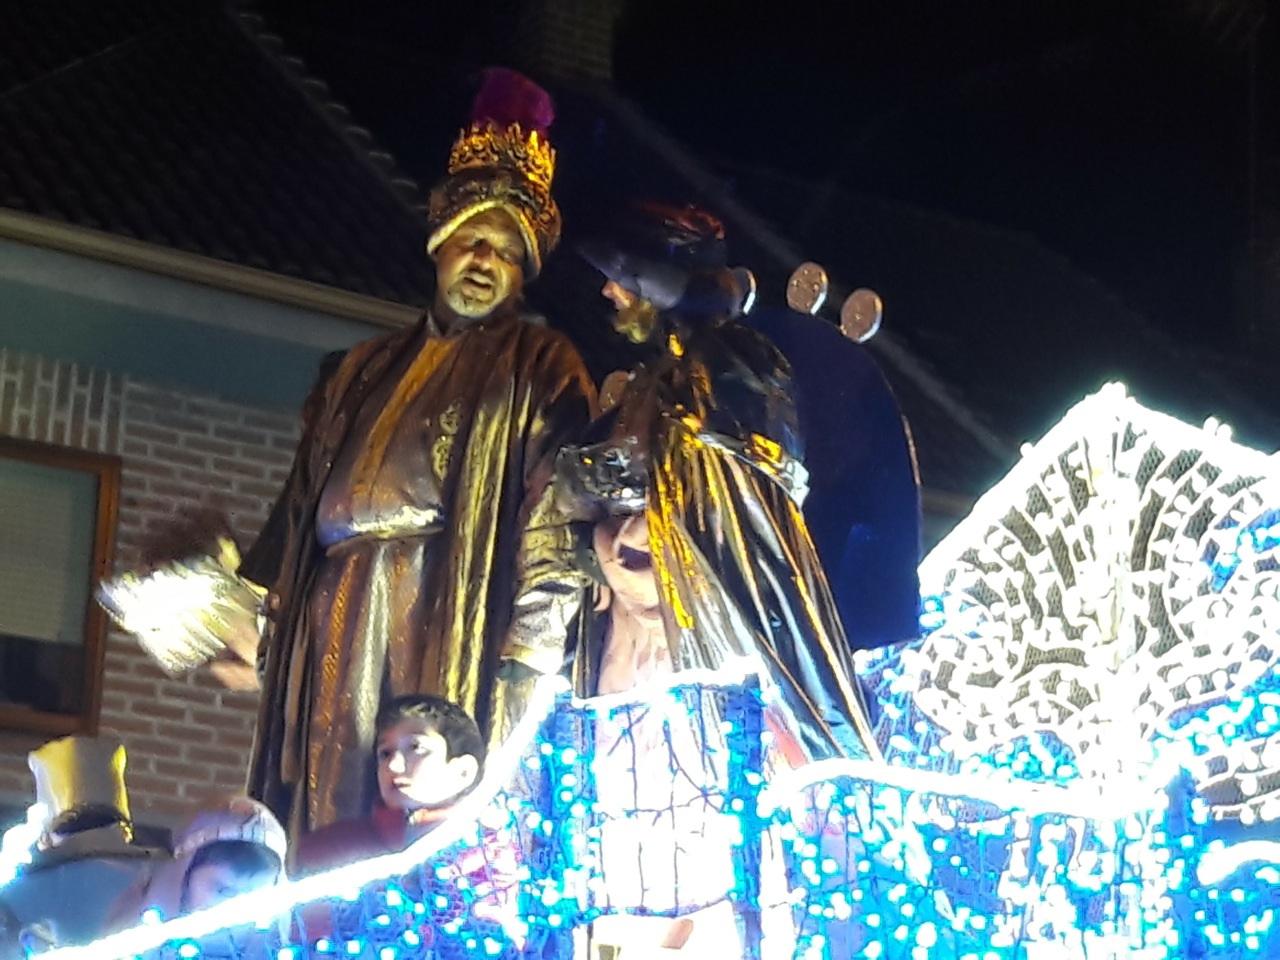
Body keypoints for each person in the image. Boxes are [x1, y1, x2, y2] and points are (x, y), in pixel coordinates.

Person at [101, 68, 597, 844]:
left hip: (439, 595)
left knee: (411, 778)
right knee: (326, 777)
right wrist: (242, 609)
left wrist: (531, 644)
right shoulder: (358, 369)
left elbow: (557, 505)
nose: (483, 260)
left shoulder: (540, 364)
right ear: (439, 245)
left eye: (506, 252)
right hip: (333, 600)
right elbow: (298, 505)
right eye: (471, 239)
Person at [559, 201, 881, 766]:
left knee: (715, 754)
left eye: (621, 278)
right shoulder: (658, 376)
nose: (610, 293)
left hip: (707, 613)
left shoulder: (730, 362)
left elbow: (729, 499)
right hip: (637, 623)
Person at [292, 695, 520, 947]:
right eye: (385, 753)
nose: (394, 765)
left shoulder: (488, 853)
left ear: (463, 771)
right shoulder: (332, 846)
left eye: (416, 748)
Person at [105, 795, 287, 929]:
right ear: (182, 877)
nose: (239, 912)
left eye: (257, 899)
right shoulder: (134, 939)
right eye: (224, 891)